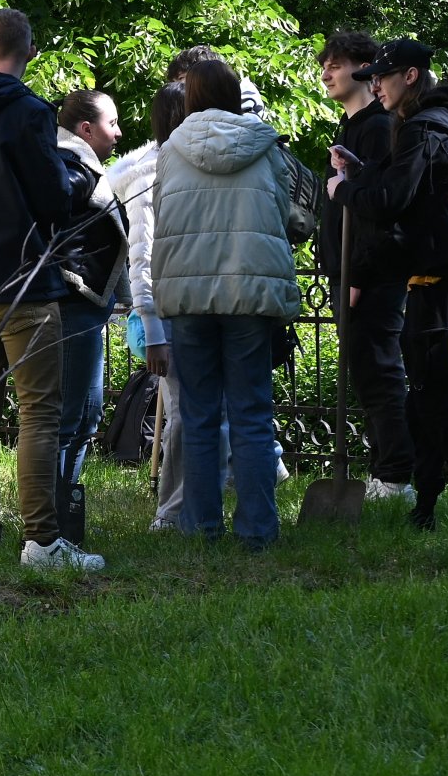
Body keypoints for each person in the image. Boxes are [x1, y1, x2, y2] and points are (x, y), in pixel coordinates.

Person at [0, 8, 104, 569]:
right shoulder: (29, 112)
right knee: (39, 412)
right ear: (29, 52)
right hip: (23, 279)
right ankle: (42, 541)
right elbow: (53, 198)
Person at [329, 38, 448, 529]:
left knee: (433, 395)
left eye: (381, 78)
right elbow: (401, 188)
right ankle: (429, 507)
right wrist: (360, 172)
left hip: (438, 273)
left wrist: (345, 189)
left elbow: (392, 200)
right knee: (427, 393)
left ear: (409, 77)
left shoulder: (425, 128)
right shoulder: (421, 126)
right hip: (431, 271)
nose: (376, 88)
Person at [152, 59, 299, 549]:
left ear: (189, 97)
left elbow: (163, 218)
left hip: (189, 295)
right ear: (237, 95)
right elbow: (285, 213)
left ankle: (201, 524)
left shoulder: (171, 150)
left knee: (197, 414)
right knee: (252, 413)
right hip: (248, 293)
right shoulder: (264, 145)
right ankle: (258, 529)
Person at [317, 30, 415, 502]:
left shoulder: (377, 128)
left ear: (363, 68)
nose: (326, 73)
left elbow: (378, 213)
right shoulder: (351, 129)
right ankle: (386, 470)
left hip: (370, 276)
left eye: (335, 64)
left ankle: (395, 476)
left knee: (378, 371)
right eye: (325, 65)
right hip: (350, 273)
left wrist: (355, 276)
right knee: (365, 371)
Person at [106, 81, 190, 531]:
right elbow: (142, 260)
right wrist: (153, 328)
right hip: (168, 312)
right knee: (178, 413)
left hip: (192, 306)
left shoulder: (189, 166)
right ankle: (171, 513)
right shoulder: (148, 178)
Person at [53, 88, 129, 543]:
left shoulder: (84, 167)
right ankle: (50, 522)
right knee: (66, 418)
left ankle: (67, 509)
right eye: (112, 123)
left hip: (89, 307)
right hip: (70, 305)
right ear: (85, 129)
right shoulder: (69, 167)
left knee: (87, 416)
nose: (118, 133)